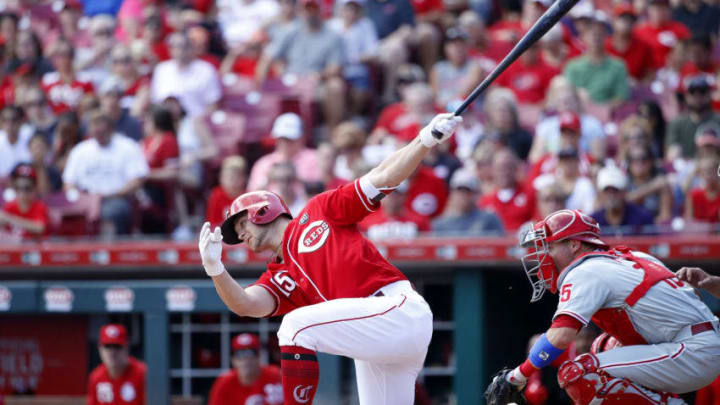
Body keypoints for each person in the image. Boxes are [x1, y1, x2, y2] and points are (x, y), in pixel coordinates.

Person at [197, 112, 461, 404]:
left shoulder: (319, 209)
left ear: (263, 211)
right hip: (374, 343)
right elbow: (246, 305)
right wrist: (215, 269)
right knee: (295, 325)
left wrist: (424, 140)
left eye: (241, 225)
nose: (241, 236)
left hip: (396, 309)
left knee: (294, 327)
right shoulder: (278, 273)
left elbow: (382, 178)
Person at [485, 208, 720, 405]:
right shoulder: (632, 256)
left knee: (577, 373)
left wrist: (516, 376)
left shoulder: (585, 270)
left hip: (691, 352)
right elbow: (694, 298)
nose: (544, 254)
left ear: (575, 244)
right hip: (698, 344)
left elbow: (561, 336)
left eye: (549, 246)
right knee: (602, 346)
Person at [63, 111, 149, 235]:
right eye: (95, 131)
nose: (99, 135)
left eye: (102, 132)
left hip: (117, 198)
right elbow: (68, 182)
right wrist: (80, 198)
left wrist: (108, 195)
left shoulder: (127, 147)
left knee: (110, 212)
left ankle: (107, 251)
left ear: (111, 129)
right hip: (84, 199)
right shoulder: (80, 150)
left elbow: (138, 180)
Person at [564, 11, 629, 105]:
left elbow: (621, 97)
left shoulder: (618, 65)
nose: (595, 37)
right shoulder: (572, 66)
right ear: (583, 37)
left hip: (608, 115)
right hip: (580, 114)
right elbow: (567, 96)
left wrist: (600, 110)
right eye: (591, 33)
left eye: (600, 33)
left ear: (606, 36)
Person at [150, 32, 221, 117]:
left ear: (191, 48)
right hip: (166, 123)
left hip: (195, 121)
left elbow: (213, 104)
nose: (179, 51)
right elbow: (155, 101)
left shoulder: (205, 70)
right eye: (174, 47)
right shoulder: (161, 69)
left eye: (182, 47)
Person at [247, 113, 321, 191]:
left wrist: (296, 179)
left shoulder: (314, 159)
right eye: (281, 139)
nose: (285, 143)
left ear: (302, 138)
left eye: (290, 139)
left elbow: (321, 189)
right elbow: (253, 196)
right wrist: (268, 180)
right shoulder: (264, 163)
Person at [208, 333, 283, 405]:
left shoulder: (275, 375)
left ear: (260, 356)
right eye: (240, 354)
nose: (246, 359)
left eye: (251, 353)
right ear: (233, 360)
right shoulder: (224, 383)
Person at [432, 168, 503, 236]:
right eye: (459, 190)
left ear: (476, 193)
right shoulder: (440, 225)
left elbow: (502, 244)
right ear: (452, 193)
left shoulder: (489, 219)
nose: (463, 195)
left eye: (467, 191)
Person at [87, 324, 146, 405]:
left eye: (117, 346)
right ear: (99, 348)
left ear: (127, 348)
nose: (112, 352)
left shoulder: (142, 373)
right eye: (107, 346)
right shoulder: (96, 377)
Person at [590, 165, 654, 235]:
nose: (611, 195)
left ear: (624, 192)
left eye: (615, 190)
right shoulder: (592, 222)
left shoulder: (643, 218)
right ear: (600, 193)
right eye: (607, 191)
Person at [358, 180, 430, 240]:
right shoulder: (365, 221)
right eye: (386, 193)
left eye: (396, 193)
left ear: (406, 196)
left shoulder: (420, 221)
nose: (391, 197)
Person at [0, 164, 49, 240]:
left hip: (35, 249)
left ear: (35, 188)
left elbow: (39, 228)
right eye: (18, 187)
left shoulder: (39, 206)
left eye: (27, 188)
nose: (22, 192)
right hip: (14, 249)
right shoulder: (9, 206)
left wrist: (9, 219)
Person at [206, 156, 248, 228]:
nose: (232, 181)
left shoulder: (247, 196)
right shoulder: (216, 195)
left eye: (236, 177)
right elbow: (212, 223)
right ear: (221, 178)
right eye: (228, 177)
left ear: (244, 178)